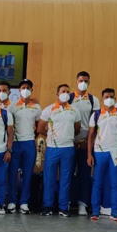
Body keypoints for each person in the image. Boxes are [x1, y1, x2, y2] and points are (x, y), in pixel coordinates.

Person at [88, 88, 117, 221]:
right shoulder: (96, 115)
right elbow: (90, 135)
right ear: (102, 99)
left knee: (115, 184)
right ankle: (95, 211)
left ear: (115, 98)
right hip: (99, 152)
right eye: (106, 96)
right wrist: (89, 155)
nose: (109, 98)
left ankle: (115, 212)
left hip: (116, 153)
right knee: (97, 182)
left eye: (111, 96)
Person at [39, 84, 81, 217]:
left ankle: (63, 207)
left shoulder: (75, 110)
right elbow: (40, 129)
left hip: (68, 149)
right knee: (49, 179)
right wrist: (52, 136)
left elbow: (77, 129)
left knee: (66, 179)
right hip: (52, 148)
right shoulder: (49, 109)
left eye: (68, 91)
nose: (66, 93)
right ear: (57, 94)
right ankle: (48, 206)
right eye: (63, 91)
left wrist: (66, 137)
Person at [7, 79, 41, 214]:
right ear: (19, 90)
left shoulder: (37, 107)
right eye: (23, 87)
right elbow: (8, 127)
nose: (25, 90)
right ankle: (11, 201)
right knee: (12, 173)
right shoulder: (13, 106)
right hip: (15, 143)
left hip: (29, 143)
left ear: (31, 90)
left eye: (28, 87)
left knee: (27, 174)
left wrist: (32, 136)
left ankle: (24, 203)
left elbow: (40, 126)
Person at [70, 71, 99, 215]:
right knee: (67, 174)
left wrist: (89, 142)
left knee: (84, 175)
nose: (83, 83)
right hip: (69, 143)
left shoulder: (93, 100)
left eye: (86, 81)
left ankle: (83, 204)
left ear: (89, 82)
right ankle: (67, 202)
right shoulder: (68, 98)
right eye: (81, 80)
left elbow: (96, 124)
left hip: (86, 143)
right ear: (76, 81)